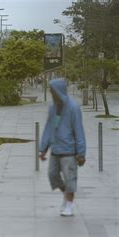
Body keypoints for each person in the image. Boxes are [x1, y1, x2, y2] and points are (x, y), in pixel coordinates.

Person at [40, 78, 86, 217]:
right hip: (55, 148)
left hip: (69, 150)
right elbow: (49, 127)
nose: (51, 94)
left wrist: (81, 153)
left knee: (70, 178)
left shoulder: (73, 107)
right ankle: (66, 195)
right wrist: (43, 148)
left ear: (58, 91)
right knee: (52, 175)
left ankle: (69, 205)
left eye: (52, 91)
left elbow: (79, 130)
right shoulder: (53, 107)